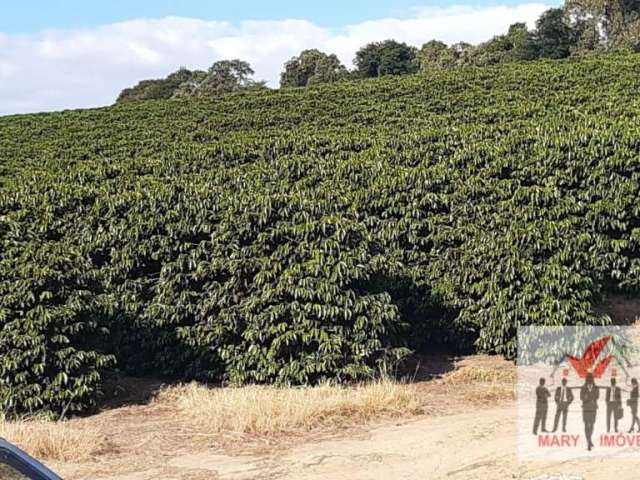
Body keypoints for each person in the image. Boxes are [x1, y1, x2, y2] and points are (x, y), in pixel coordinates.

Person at [581, 372, 599, 451]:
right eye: (588, 379)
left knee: (591, 424)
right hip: (586, 409)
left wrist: (587, 396)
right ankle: (588, 442)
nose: (590, 380)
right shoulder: (583, 388)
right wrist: (589, 397)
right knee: (586, 424)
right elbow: (581, 397)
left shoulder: (596, 388)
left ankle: (589, 439)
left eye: (591, 379)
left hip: (593, 408)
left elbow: (597, 396)